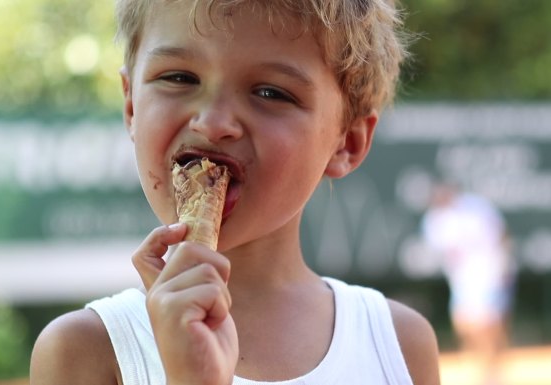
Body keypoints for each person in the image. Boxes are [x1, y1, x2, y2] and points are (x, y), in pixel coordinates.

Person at [30, 1, 441, 384]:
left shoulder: (398, 344)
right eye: (179, 77)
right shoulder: (86, 352)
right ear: (131, 105)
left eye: (271, 93)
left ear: (346, 142)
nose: (213, 122)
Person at [421, 182, 514, 385]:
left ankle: (493, 372)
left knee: (488, 326)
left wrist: (504, 266)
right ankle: (481, 365)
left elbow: (501, 235)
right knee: (465, 325)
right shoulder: (434, 221)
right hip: (462, 281)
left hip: (490, 274)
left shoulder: (477, 207)